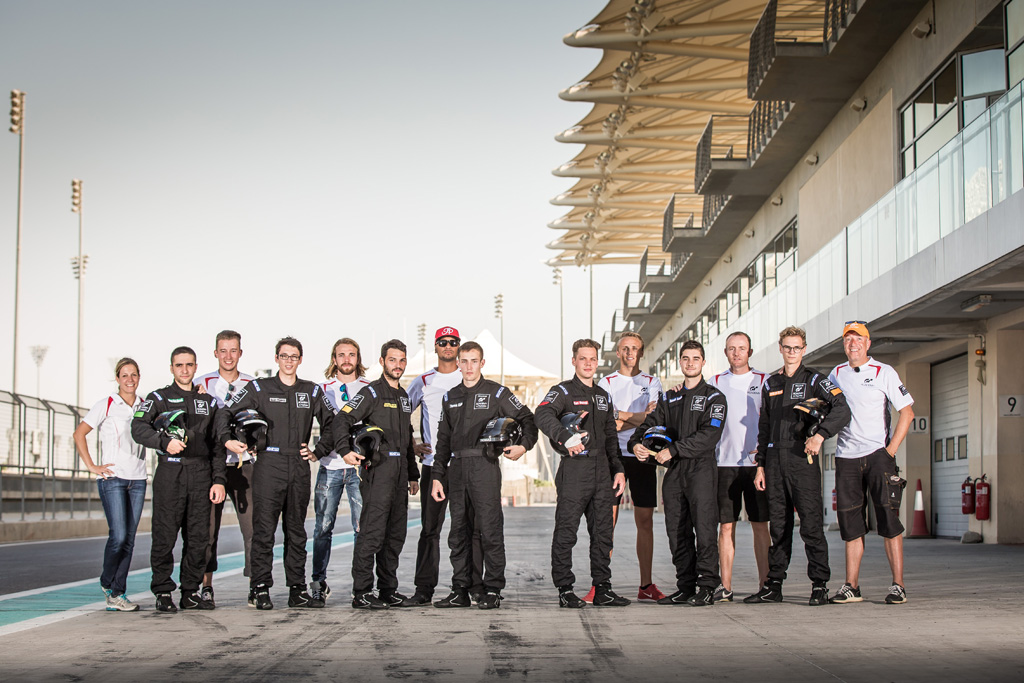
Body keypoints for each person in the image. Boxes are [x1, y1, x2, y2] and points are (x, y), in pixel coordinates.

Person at [215, 337, 335, 610]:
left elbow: (333, 422)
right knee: (263, 530)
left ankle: (297, 589)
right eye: (284, 356)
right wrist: (227, 440)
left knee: (296, 531)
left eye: (294, 356)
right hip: (268, 464)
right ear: (276, 358)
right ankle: (259, 588)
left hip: (299, 465)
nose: (288, 361)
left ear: (300, 360)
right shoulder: (259, 387)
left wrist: (319, 450)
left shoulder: (311, 390)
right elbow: (226, 413)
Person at [744, 326, 850, 607]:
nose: (792, 352)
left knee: (811, 526)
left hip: (803, 460)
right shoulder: (771, 383)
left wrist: (820, 435)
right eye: (787, 347)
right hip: (774, 462)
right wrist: (760, 466)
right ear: (780, 348)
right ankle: (774, 585)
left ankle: (819, 585)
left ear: (804, 349)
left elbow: (842, 409)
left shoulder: (815, 379)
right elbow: (764, 427)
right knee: (779, 527)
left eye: (797, 348)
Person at [430, 341, 539, 609]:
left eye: (474, 361)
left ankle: (493, 589)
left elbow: (528, 418)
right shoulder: (450, 397)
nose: (469, 366)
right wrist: (437, 476)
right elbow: (443, 441)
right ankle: (461, 589)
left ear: (482, 363)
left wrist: (523, 446)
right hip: (457, 469)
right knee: (458, 533)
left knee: (490, 531)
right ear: (458, 363)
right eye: (464, 361)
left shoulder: (497, 393)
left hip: (485, 466)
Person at [630, 340, 726, 606]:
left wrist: (674, 449)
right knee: (676, 531)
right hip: (674, 473)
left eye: (695, 358)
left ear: (703, 362)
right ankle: (685, 585)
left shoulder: (715, 397)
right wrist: (636, 444)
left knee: (705, 530)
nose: (690, 363)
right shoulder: (669, 398)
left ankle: (707, 585)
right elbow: (649, 425)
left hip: (701, 470)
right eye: (685, 358)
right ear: (680, 362)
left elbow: (710, 434)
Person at [535, 339, 629, 608]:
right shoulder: (562, 391)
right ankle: (565, 589)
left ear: (597, 362)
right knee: (566, 532)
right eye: (583, 358)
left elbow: (611, 436)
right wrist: (565, 437)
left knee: (603, 534)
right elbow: (542, 414)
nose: (588, 363)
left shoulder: (603, 395)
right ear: (574, 361)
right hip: (575, 469)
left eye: (592, 359)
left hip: (602, 471)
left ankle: (603, 589)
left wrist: (618, 470)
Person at [132, 347, 226, 613]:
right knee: (164, 534)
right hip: (170, 473)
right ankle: (163, 591)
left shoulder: (208, 402)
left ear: (195, 367)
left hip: (201, 474)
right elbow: (138, 427)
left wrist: (219, 479)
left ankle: (190, 591)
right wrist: (163, 442)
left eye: (189, 365)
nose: (184, 370)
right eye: (179, 365)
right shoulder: (159, 398)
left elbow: (217, 444)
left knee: (198, 537)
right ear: (171, 368)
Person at [828, 321, 915, 605]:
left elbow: (907, 413)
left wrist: (890, 451)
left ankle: (898, 585)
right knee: (851, 525)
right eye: (848, 339)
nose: (853, 344)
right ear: (844, 344)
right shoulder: (836, 373)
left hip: (879, 456)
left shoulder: (884, 372)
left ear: (868, 343)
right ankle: (851, 586)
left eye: (858, 339)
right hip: (846, 458)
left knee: (889, 520)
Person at [332, 339, 420, 610]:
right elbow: (342, 420)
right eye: (392, 360)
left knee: (395, 535)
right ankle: (361, 592)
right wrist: (345, 450)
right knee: (372, 533)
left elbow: (407, 439)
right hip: (378, 471)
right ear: (382, 362)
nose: (398, 365)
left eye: (402, 360)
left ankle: (387, 590)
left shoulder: (404, 397)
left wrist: (413, 474)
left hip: (400, 473)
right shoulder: (371, 392)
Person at [403, 326, 482, 606]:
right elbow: (400, 414)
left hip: (465, 468)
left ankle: (472, 587)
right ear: (435, 346)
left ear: (459, 346)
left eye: (453, 342)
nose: (448, 346)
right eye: (443, 342)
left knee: (470, 529)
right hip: (433, 466)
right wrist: (412, 444)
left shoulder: (469, 376)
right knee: (430, 529)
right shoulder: (423, 381)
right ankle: (424, 589)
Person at [73, 357, 147, 612]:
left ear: (139, 377)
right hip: (112, 478)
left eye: (134, 374)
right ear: (117, 379)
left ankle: (117, 593)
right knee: (119, 536)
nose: (130, 379)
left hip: (138, 479)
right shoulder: (106, 404)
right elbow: (79, 434)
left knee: (130, 540)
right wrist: (92, 466)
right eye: (124, 375)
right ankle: (107, 581)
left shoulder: (145, 405)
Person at [598, 331, 665, 603]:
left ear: (641, 352)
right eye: (625, 348)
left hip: (642, 454)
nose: (629, 353)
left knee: (645, 521)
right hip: (613, 456)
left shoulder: (652, 382)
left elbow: (653, 418)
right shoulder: (606, 383)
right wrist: (637, 416)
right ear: (618, 352)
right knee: (608, 522)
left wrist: (621, 416)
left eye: (634, 348)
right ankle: (601, 585)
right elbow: (606, 422)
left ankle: (646, 585)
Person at [192, 329, 254, 606]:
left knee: (252, 528)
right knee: (207, 530)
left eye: (233, 350)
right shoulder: (200, 383)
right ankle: (206, 586)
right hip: (211, 467)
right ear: (216, 353)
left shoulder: (253, 384)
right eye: (223, 350)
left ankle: (256, 585)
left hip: (244, 465)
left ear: (240, 353)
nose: (228, 356)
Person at [707, 332, 770, 603]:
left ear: (750, 352)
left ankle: (765, 585)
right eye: (732, 348)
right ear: (725, 352)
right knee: (725, 528)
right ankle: (725, 586)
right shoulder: (715, 382)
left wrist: (765, 453)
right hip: (724, 464)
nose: (736, 353)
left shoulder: (765, 380)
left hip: (756, 466)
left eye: (741, 348)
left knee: (760, 526)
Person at [310, 337, 370, 601]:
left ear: (358, 358)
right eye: (341, 355)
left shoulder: (370, 388)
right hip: (330, 465)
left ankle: (361, 587)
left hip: (359, 468)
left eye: (351, 354)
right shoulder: (321, 389)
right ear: (334, 359)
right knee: (323, 528)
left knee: (361, 528)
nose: (347, 359)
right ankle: (318, 583)